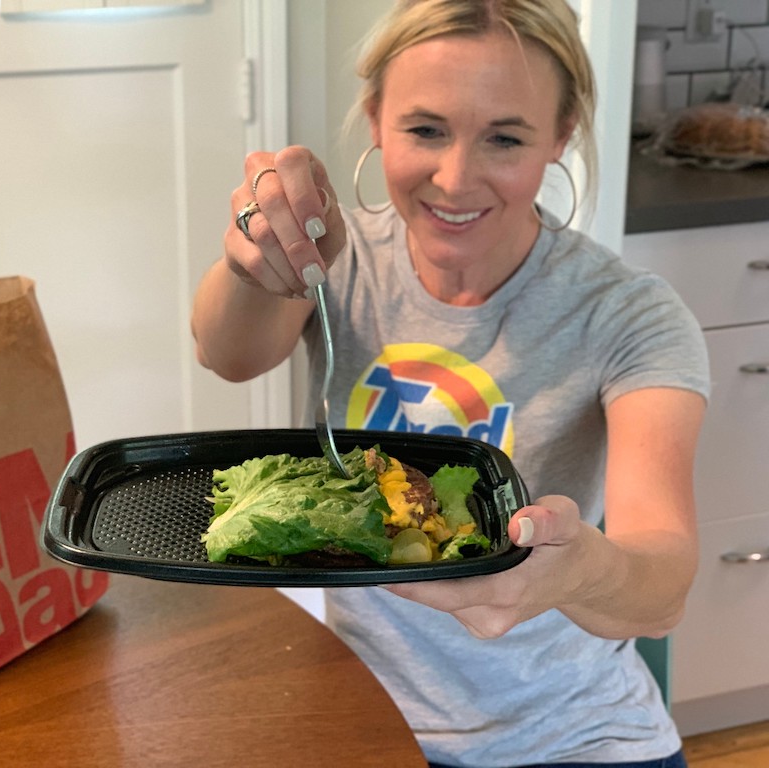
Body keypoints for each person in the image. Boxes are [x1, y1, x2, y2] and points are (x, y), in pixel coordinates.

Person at [191, 1, 709, 766]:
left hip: (577, 739)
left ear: (560, 138)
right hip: (364, 720)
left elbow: (662, 589)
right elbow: (225, 353)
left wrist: (578, 569)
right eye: (426, 130)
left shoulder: (628, 314)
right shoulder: (337, 259)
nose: (456, 179)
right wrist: (253, 260)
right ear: (375, 119)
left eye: (505, 137)